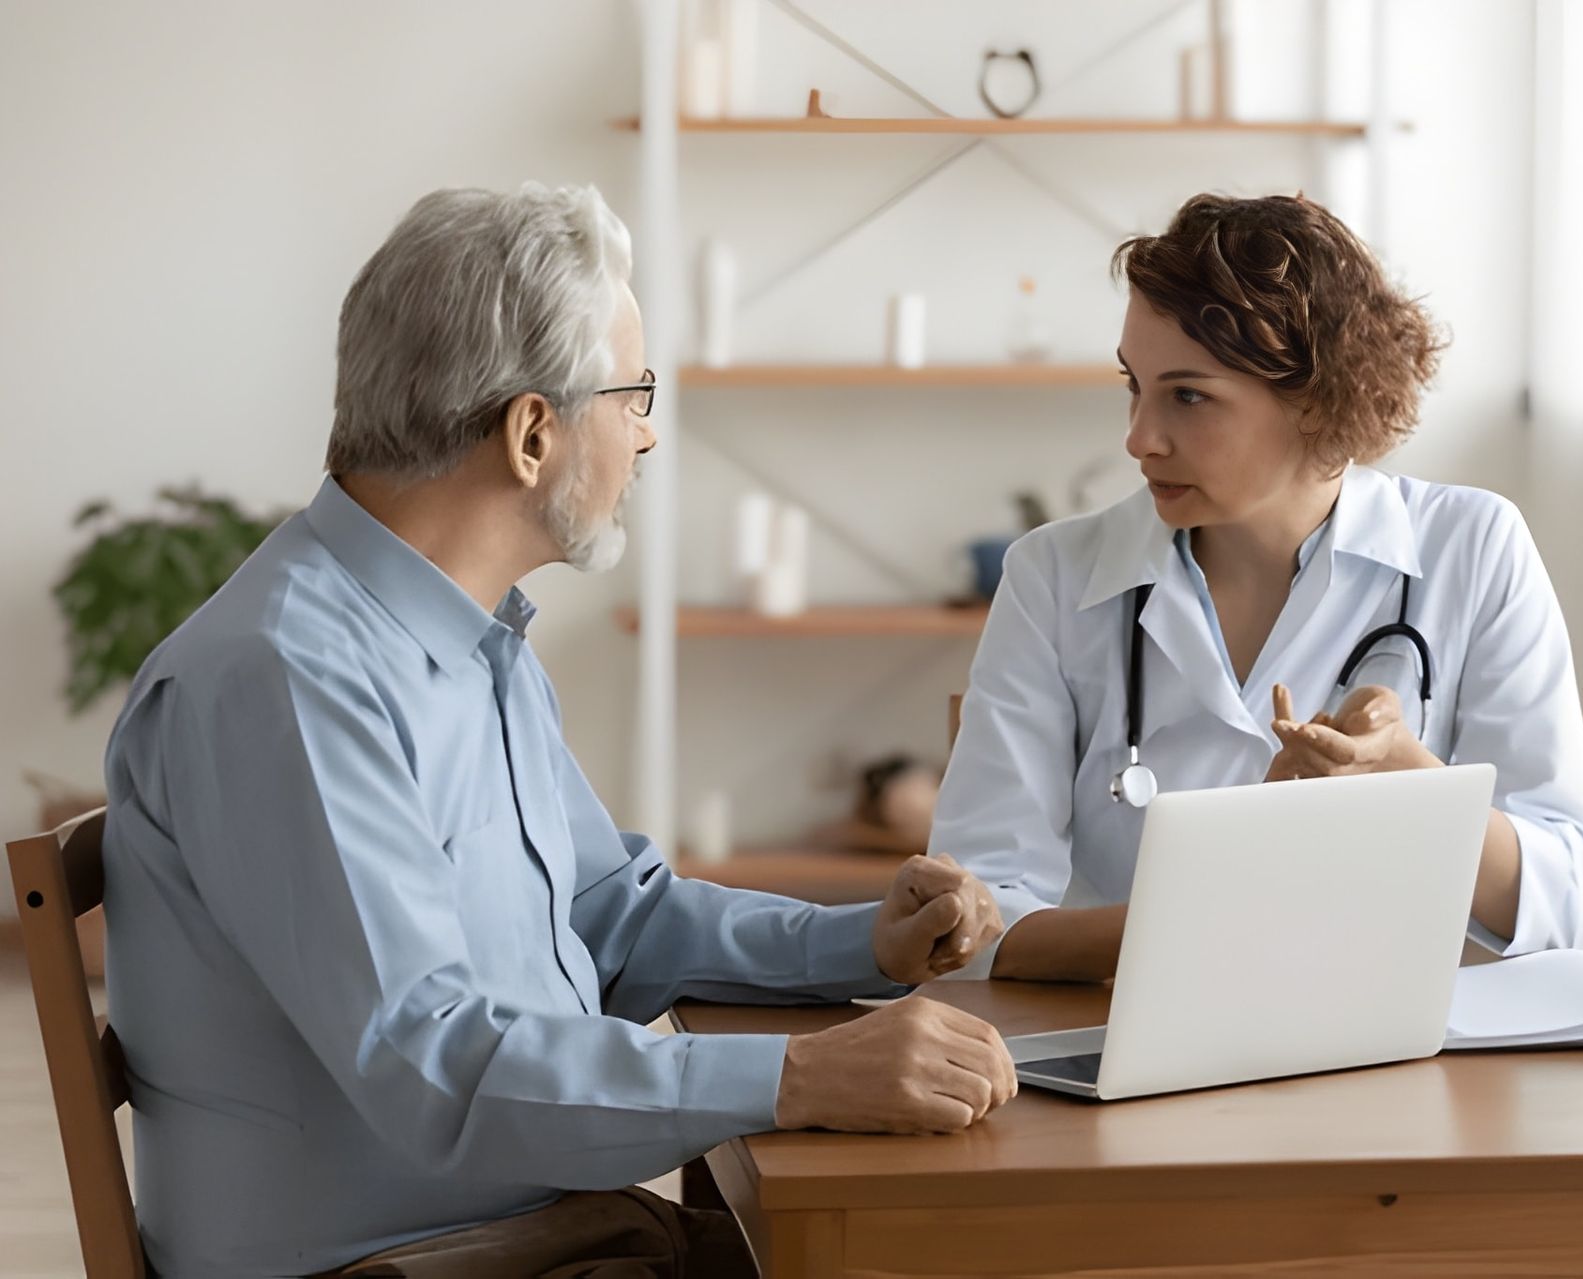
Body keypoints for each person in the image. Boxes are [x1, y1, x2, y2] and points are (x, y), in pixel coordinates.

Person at [101, 183, 1014, 1279]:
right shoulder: (283, 679)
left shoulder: (469, 641)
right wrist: (804, 1078)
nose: (649, 432)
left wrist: (860, 943)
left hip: (540, 1236)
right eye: (633, 394)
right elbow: (432, 1064)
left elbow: (608, 918)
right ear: (534, 432)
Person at [933, 192, 1583, 983]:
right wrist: (1216, 911)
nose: (1138, 438)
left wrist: (1409, 782)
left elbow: (1568, 897)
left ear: (1320, 401)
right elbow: (971, 925)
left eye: (1188, 396)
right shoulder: (1052, 578)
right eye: (1135, 386)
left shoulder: (1474, 547)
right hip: (1119, 1043)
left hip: (1397, 1055)